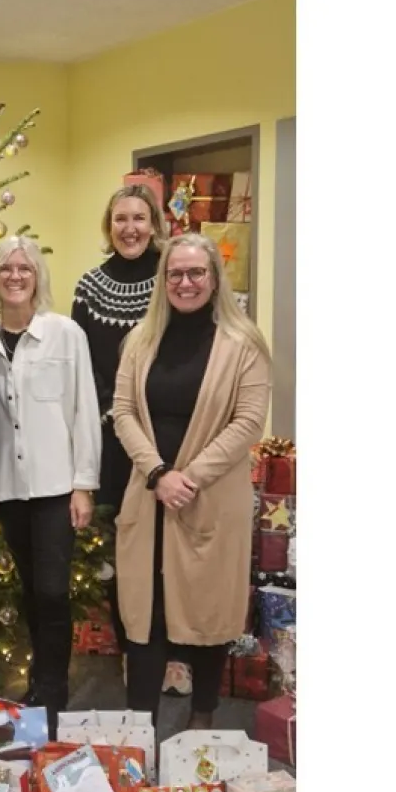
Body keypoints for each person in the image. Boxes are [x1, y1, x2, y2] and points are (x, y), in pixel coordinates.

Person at [109, 233, 271, 728]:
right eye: (175, 273)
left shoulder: (244, 345)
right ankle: (140, 729)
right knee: (146, 616)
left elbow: (248, 422)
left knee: (207, 613)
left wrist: (189, 478)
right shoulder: (140, 341)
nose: (185, 282)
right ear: (163, 281)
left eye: (196, 272)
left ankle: (202, 720)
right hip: (150, 497)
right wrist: (158, 474)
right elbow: (122, 411)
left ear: (215, 278)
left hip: (211, 500)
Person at [0, 236, 100, 733]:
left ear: (37, 276)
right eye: (6, 268)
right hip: (6, 486)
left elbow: (84, 409)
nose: (15, 276)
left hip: (55, 487)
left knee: (51, 591)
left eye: (24, 268)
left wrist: (83, 483)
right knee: (29, 589)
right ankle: (40, 684)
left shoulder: (65, 335)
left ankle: (53, 691)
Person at [71, 184, 187, 688]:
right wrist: (118, 415)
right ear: (109, 225)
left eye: (139, 218)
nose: (130, 228)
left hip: (172, 436)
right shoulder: (89, 287)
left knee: (175, 548)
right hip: (114, 440)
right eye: (121, 219)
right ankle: (133, 648)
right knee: (125, 551)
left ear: (154, 224)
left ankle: (176, 653)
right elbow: (83, 366)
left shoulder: (175, 278)